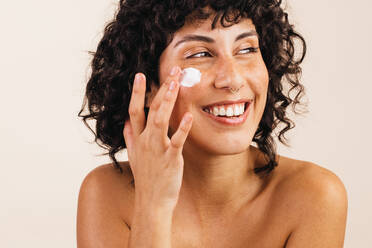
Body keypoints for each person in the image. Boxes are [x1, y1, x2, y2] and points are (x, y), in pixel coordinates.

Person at [77, 0, 348, 247]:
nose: (232, 79)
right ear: (147, 84)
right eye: (200, 54)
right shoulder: (106, 195)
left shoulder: (314, 197)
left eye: (246, 49)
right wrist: (152, 206)